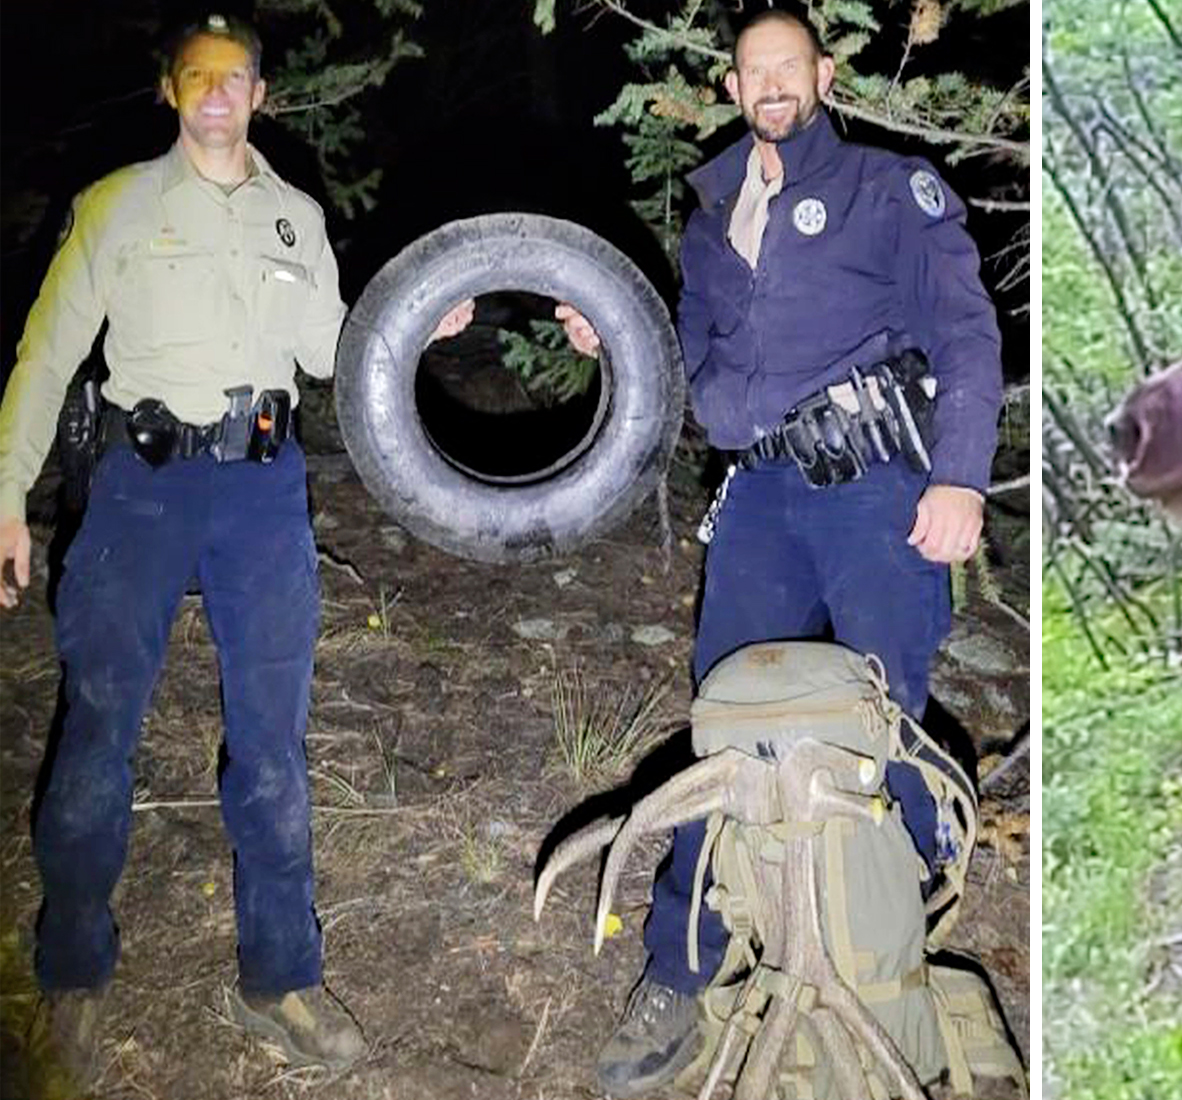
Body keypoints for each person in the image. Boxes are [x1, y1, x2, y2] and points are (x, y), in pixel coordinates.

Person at [0, 12, 522, 1084]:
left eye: (235, 79)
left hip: (262, 492)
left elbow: (333, 355)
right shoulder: (117, 206)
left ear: (261, 96)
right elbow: (46, 355)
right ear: (171, 91)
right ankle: (72, 974)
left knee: (273, 744)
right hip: (140, 489)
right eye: (198, 77)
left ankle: (279, 975)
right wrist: (7, 495)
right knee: (99, 730)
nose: (217, 94)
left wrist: (417, 321)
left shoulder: (295, 218)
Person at [569, 8, 1005, 1096]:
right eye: (751, 70)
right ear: (731, 86)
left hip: (880, 490)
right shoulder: (715, 214)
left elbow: (965, 331)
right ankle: (681, 967)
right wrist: (615, 340)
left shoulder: (885, 188)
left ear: (822, 74)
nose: (771, 84)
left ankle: (889, 960)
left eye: (788, 66)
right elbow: (701, 366)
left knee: (888, 717)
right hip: (761, 490)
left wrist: (961, 473)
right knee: (724, 719)